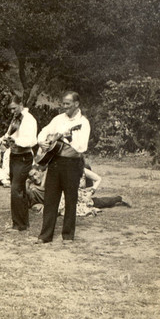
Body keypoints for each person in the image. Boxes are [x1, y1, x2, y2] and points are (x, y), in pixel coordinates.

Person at [36, 91, 91, 244]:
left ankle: (67, 235)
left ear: (76, 104)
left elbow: (81, 146)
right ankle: (45, 236)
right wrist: (42, 142)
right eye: (63, 103)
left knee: (70, 200)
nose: (64, 106)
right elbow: (44, 131)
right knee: (50, 199)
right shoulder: (58, 119)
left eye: (67, 104)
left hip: (72, 164)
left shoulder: (83, 123)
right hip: (54, 162)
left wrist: (66, 137)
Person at [3, 96, 38, 231]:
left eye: (14, 108)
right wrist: (3, 140)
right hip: (14, 156)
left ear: (21, 104)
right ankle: (23, 223)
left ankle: (18, 224)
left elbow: (32, 141)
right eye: (10, 109)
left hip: (24, 157)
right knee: (19, 189)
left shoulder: (29, 120)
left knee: (15, 189)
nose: (12, 111)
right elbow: (8, 134)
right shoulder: (15, 119)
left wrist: (15, 141)